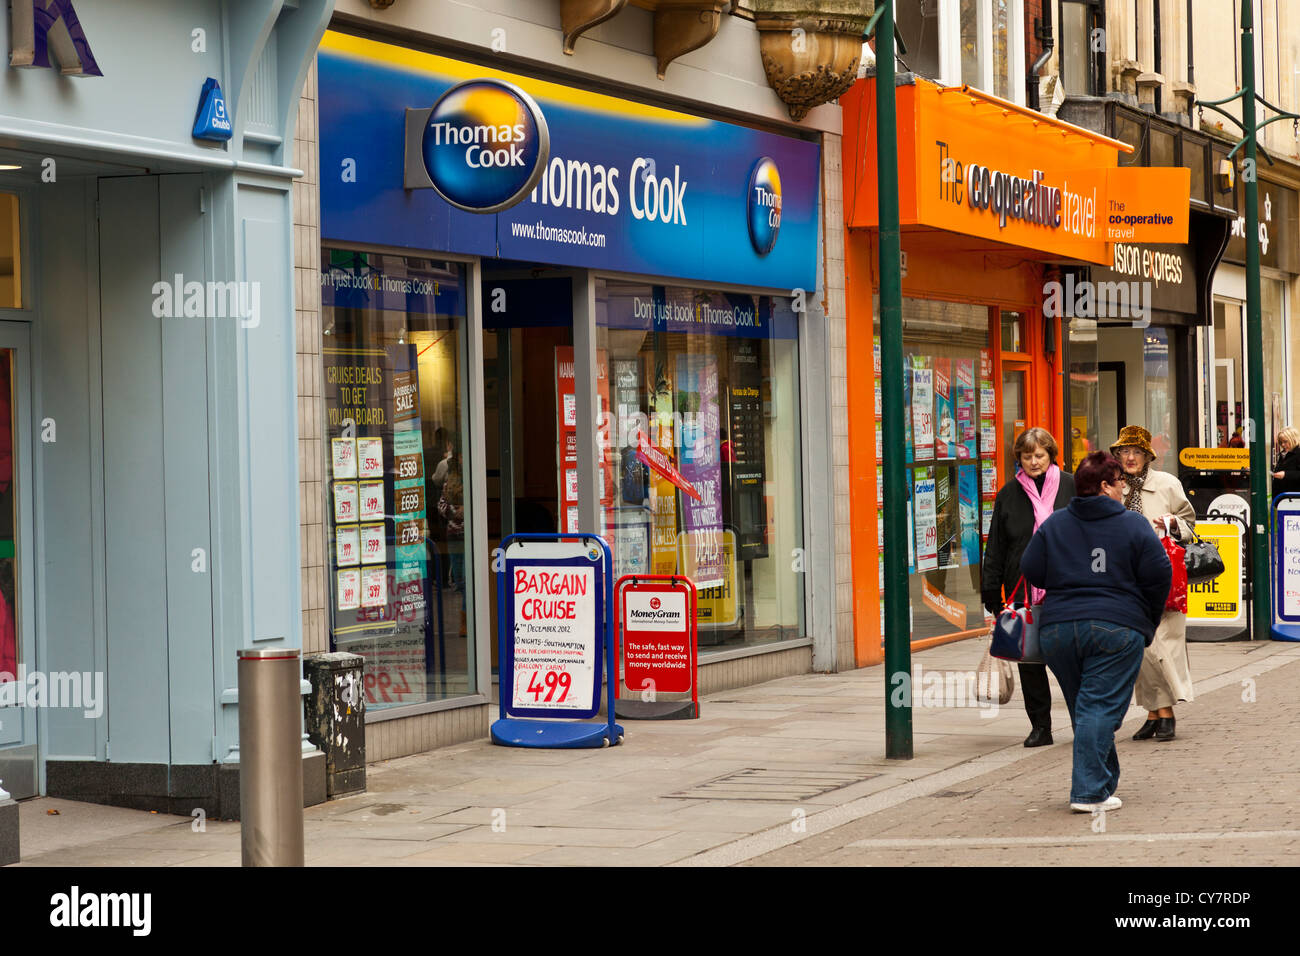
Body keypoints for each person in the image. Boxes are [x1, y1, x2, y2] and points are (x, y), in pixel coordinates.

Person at [1021, 451, 1171, 812]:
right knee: (1098, 709)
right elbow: (1158, 575)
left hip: (1058, 630)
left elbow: (1031, 568)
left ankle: (1102, 781)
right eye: (1119, 481)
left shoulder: (1055, 523)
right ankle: (1089, 793)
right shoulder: (1133, 524)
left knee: (1087, 708)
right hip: (1116, 628)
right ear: (1105, 486)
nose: (1123, 486)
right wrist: (1145, 621)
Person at [981, 427, 1075, 747]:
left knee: (1070, 660)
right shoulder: (1009, 494)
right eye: (1027, 456)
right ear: (1018, 458)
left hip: (1067, 588)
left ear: (1051, 456)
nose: (1033, 462)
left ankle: (1083, 721)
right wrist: (991, 591)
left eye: (1039, 455)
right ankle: (1041, 726)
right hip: (1022, 588)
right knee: (1030, 662)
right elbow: (996, 546)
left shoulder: (1071, 487)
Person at [1110, 425, 1197, 742]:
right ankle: (1154, 713)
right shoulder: (1116, 487)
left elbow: (1191, 524)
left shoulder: (1167, 485)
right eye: (1124, 452)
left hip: (1164, 577)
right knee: (1142, 650)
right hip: (1128, 580)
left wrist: (1173, 524)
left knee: (1165, 647)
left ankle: (1166, 714)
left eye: (1136, 452)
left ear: (1148, 455)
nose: (1129, 457)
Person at [1273, 426, 1300, 497]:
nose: (1282, 445)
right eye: (1281, 442)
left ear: (1293, 439)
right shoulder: (1283, 455)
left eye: (1285, 441)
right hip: (1282, 499)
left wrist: (1286, 474)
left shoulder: (1298, 454)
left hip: (1295, 499)